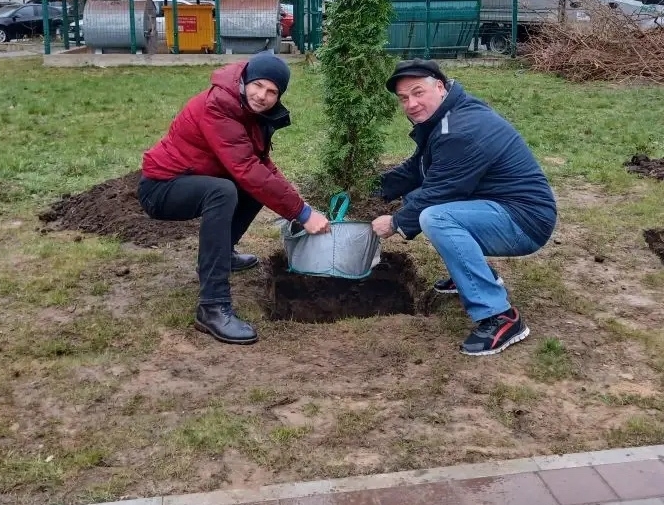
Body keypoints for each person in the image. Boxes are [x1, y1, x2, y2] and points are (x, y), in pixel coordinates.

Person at [138, 51, 330, 345]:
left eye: (272, 92)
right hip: (161, 187)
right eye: (258, 86)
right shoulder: (219, 106)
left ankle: (222, 255)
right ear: (245, 80)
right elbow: (247, 169)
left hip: (192, 178)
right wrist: (302, 214)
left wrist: (300, 206)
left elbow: (260, 166)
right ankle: (212, 306)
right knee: (225, 190)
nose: (262, 96)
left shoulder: (246, 110)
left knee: (253, 187)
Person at [370, 59, 557, 357]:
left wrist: (394, 223)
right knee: (426, 204)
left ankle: (500, 317)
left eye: (418, 93)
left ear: (440, 87)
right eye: (404, 98)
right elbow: (420, 168)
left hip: (525, 221)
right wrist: (373, 188)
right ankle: (473, 275)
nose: (411, 104)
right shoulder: (447, 116)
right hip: (499, 205)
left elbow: (440, 191)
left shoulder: (460, 129)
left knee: (435, 216)